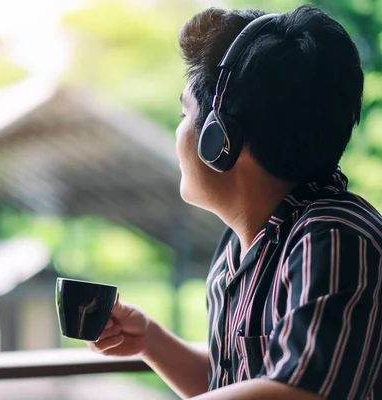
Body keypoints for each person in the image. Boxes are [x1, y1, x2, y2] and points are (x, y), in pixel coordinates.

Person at [89, 5, 382, 400]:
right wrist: (151, 343)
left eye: (183, 113)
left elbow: (299, 392)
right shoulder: (240, 244)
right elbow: (241, 384)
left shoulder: (334, 239)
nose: (178, 132)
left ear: (220, 139)